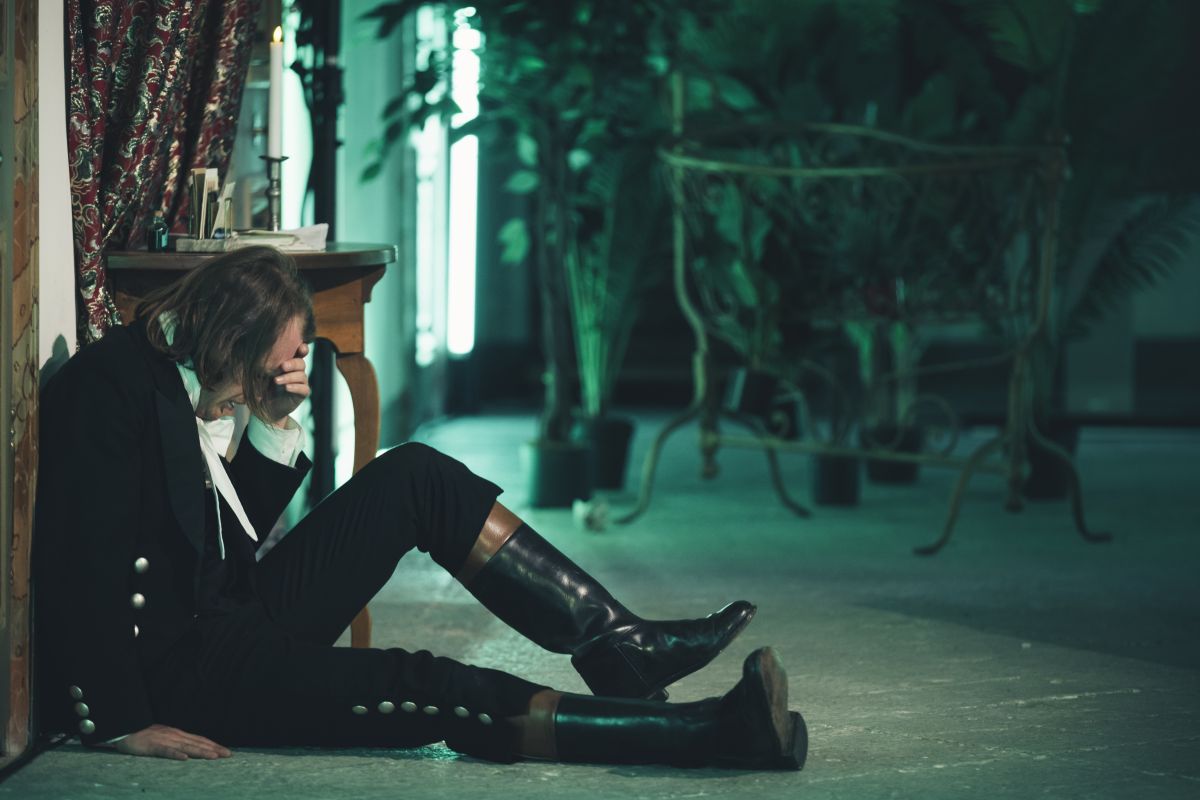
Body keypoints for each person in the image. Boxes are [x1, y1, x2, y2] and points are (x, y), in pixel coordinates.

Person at [33, 246, 807, 769]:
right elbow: (82, 566)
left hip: (231, 616)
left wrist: (268, 423)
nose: (264, 384)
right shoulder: (111, 388)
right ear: (227, 336)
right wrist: (118, 721)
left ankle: (617, 644)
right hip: (190, 676)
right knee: (435, 687)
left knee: (416, 475)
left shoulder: (179, 373)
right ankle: (706, 734)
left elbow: (225, 548)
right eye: (264, 369)